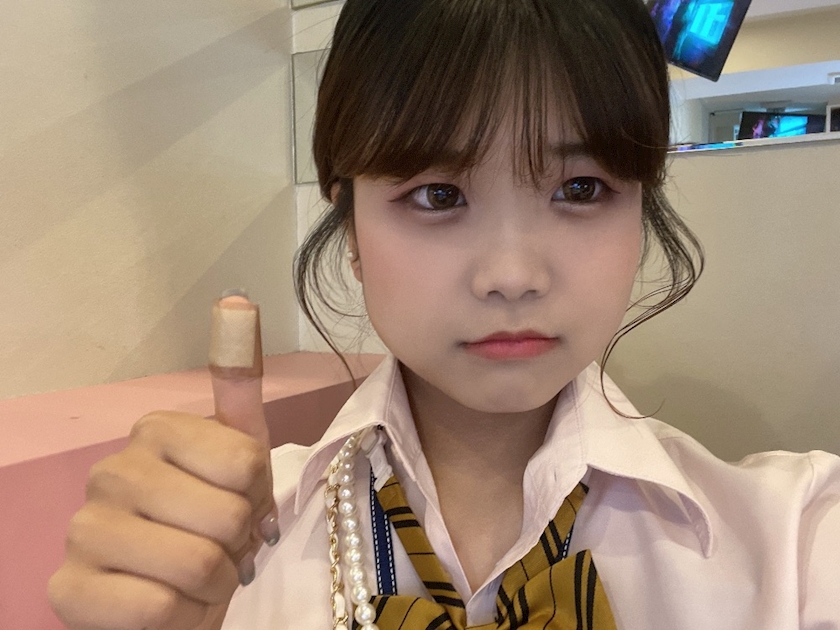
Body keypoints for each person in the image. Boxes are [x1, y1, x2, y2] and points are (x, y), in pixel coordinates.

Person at [48, 1, 840, 629]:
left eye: (580, 189)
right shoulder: (222, 549)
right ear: (349, 227)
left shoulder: (794, 538)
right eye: (438, 195)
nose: (512, 276)